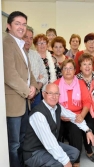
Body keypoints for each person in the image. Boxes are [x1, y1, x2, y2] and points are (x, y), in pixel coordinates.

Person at [23, 83, 94, 167]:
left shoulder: (57, 107)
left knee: (75, 153)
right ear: (43, 94)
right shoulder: (38, 114)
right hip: (34, 152)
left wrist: (87, 130)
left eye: (56, 93)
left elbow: (73, 117)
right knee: (60, 162)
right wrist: (66, 162)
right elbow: (50, 143)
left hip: (48, 147)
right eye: (50, 93)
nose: (54, 96)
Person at [3, 11, 38, 167]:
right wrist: (27, 90)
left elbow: (29, 73)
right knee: (14, 143)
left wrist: (34, 87)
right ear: (8, 25)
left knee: (23, 138)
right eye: (17, 23)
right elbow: (9, 74)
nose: (21, 27)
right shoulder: (6, 43)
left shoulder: (21, 46)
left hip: (24, 102)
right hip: (13, 103)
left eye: (24, 24)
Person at [54, 59, 93, 167]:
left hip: (76, 116)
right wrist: (60, 115)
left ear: (75, 70)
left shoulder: (80, 83)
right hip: (59, 116)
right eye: (65, 68)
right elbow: (51, 104)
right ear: (61, 71)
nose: (68, 71)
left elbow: (87, 102)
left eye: (70, 68)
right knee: (54, 130)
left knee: (75, 131)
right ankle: (57, 159)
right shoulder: (56, 84)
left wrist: (82, 116)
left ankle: (76, 161)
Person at [23, 27, 48, 108]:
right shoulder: (18, 54)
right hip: (21, 94)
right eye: (25, 37)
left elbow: (44, 75)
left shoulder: (35, 55)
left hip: (37, 95)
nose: (28, 40)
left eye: (31, 38)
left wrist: (36, 90)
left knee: (36, 118)